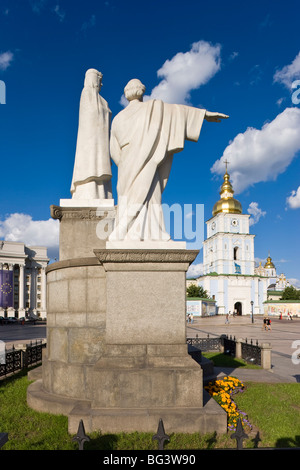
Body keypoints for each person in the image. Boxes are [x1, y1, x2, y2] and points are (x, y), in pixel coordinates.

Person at [109, 78, 228, 241]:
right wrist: (204, 115)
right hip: (147, 158)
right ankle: (134, 232)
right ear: (141, 91)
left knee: (146, 195)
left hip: (126, 165)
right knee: (151, 195)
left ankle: (148, 233)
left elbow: (114, 151)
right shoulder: (153, 109)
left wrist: (125, 165)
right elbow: (178, 112)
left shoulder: (117, 119)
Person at [71, 69, 112, 200]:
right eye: (100, 81)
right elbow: (90, 118)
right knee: (90, 165)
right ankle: (87, 191)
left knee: (99, 166)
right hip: (89, 143)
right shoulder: (87, 94)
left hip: (101, 143)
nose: (102, 84)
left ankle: (100, 192)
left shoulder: (102, 101)